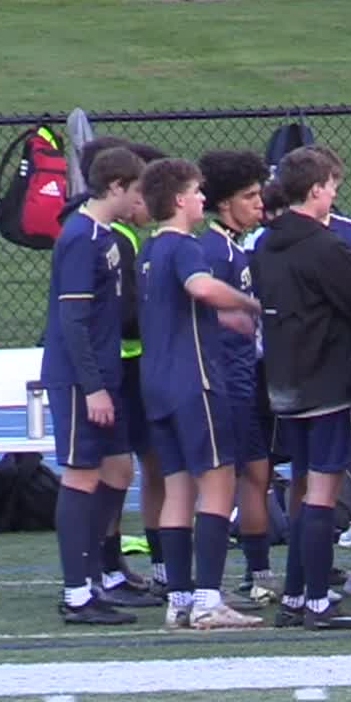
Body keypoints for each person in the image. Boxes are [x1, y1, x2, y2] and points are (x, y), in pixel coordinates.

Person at [137, 157, 267, 631]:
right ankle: (209, 599)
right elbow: (202, 288)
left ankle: (179, 598)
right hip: (195, 382)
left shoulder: (148, 250)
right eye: (196, 192)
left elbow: (180, 308)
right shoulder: (185, 246)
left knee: (177, 488)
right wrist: (250, 304)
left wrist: (220, 318)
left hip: (156, 382)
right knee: (218, 483)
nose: (202, 199)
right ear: (178, 200)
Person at [254, 145, 351, 629]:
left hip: (283, 380)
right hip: (326, 381)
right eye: (331, 187)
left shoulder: (266, 243)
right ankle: (317, 602)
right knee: (322, 493)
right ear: (315, 190)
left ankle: (294, 596)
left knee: (305, 486)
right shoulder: (326, 247)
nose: (334, 195)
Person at [41, 145, 146, 625]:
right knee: (81, 475)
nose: (140, 201)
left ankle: (94, 577)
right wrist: (93, 387)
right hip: (81, 380)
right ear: (116, 187)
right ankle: (77, 593)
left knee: (116, 470)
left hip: (103, 375)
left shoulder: (103, 236)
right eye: (136, 190)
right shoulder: (82, 238)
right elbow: (73, 321)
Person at [198, 150, 280, 607]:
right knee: (232, 477)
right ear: (225, 202)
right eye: (250, 196)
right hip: (225, 380)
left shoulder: (235, 248)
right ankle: (230, 579)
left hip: (245, 375)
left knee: (256, 471)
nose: (259, 204)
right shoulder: (214, 252)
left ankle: (257, 572)